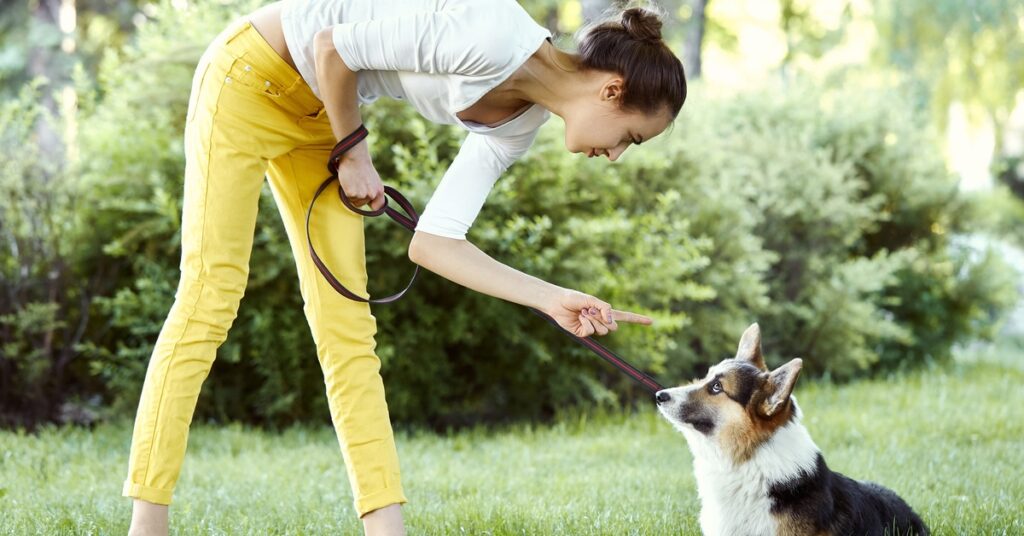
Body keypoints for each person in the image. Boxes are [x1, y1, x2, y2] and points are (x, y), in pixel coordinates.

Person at [124, 0, 686, 534]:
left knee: (348, 329)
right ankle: (146, 526)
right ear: (612, 91)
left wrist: (549, 298)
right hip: (249, 77)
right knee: (210, 297)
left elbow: (436, 243)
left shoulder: (519, 124)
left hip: (323, 116)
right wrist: (353, 152)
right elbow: (333, 49)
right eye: (629, 138)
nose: (614, 156)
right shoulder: (489, 33)